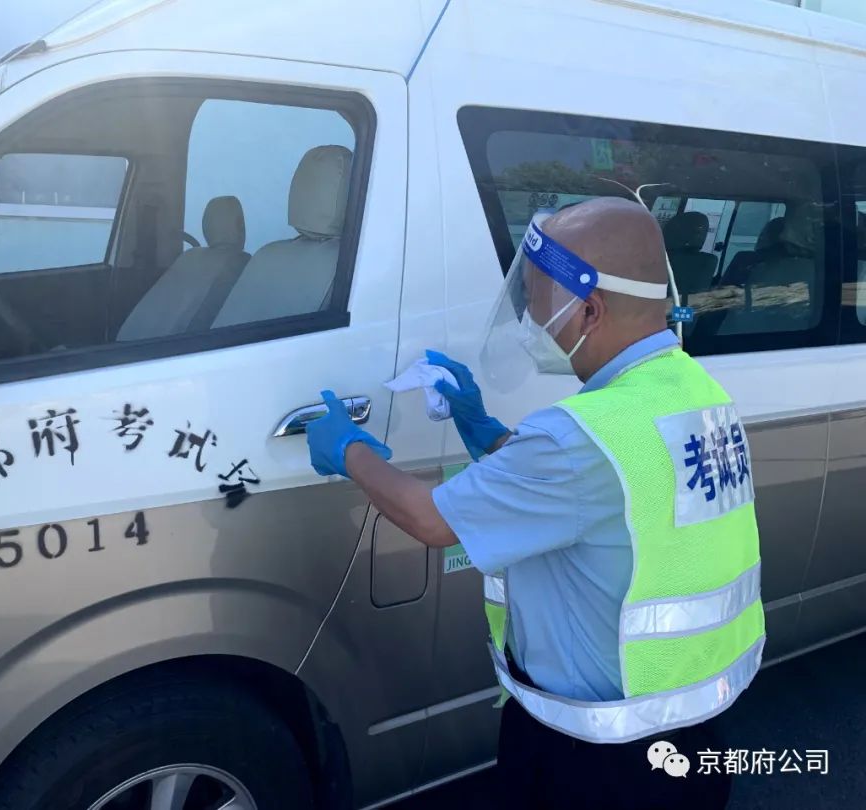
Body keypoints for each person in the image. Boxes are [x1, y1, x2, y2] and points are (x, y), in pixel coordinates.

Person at [305, 197, 764, 809]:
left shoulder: (578, 437)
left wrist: (350, 450)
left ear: (591, 310)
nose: (529, 320)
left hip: (593, 757)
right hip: (689, 730)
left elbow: (432, 518)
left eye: (538, 300)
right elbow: (592, 495)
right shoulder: (690, 388)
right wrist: (480, 427)